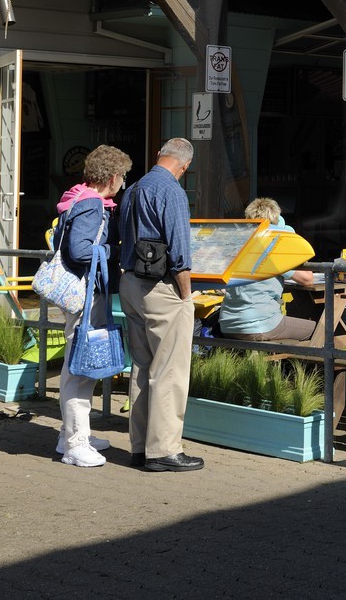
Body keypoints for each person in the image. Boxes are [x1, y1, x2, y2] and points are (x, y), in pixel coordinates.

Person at [118, 137, 203, 473]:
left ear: (159, 156)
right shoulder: (172, 191)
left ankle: (140, 447)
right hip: (161, 288)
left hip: (129, 282)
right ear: (184, 166)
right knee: (170, 371)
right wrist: (186, 297)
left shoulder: (135, 188)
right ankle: (164, 450)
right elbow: (180, 253)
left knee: (141, 367)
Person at [53, 144, 132, 467]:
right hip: (86, 295)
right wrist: (118, 253)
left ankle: (70, 435)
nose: (124, 183)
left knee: (79, 365)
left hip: (81, 294)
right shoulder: (91, 206)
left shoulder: (79, 197)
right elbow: (80, 250)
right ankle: (75, 443)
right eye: (123, 176)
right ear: (112, 177)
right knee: (79, 369)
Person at [215, 198, 319, 343]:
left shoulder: (238, 245)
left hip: (227, 324)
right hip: (261, 325)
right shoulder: (273, 248)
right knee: (320, 330)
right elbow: (308, 279)